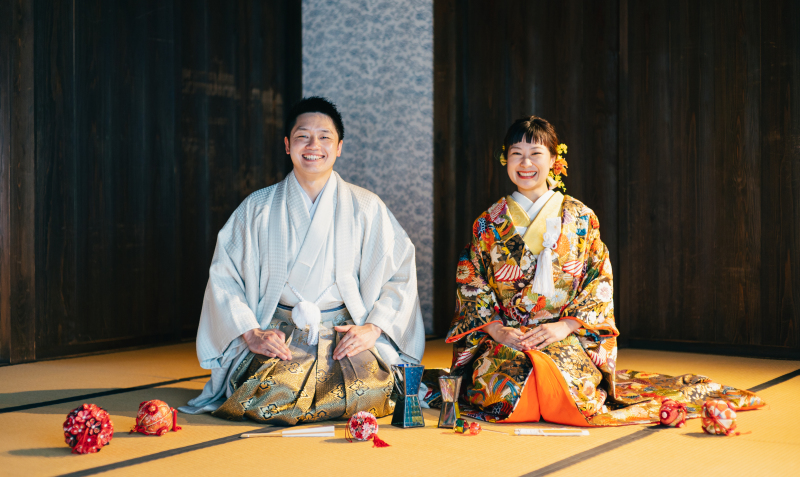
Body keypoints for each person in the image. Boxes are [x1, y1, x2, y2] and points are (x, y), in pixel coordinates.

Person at [444, 116, 763, 426]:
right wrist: (499, 331)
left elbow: (599, 277)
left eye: (536, 154)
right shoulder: (488, 222)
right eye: (517, 154)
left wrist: (565, 326)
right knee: (504, 394)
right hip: (507, 338)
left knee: (578, 397)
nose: (525, 163)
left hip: (560, 335)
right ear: (505, 159)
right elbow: (471, 280)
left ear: (554, 158)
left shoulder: (580, 217)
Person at [180, 97, 425, 425]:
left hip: (343, 334)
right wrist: (252, 333)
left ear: (339, 147)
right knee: (267, 395)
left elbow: (400, 273)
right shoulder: (258, 207)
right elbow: (225, 276)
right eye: (302, 136)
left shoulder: (366, 207)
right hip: (280, 333)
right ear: (287, 145)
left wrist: (372, 328)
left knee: (371, 392)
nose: (313, 146)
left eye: (325, 137)